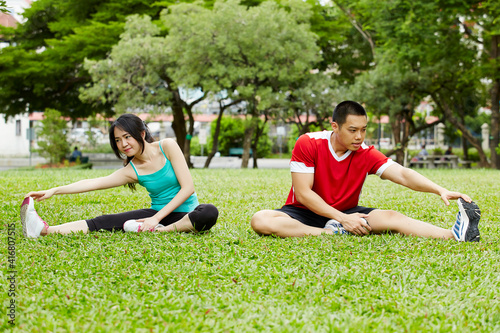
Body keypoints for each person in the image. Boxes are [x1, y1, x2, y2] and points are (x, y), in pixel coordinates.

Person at [251, 101, 480, 242]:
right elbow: (303, 194)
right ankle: (332, 233)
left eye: (363, 130)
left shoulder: (365, 152)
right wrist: (342, 221)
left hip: (348, 212)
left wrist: (440, 189)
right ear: (335, 126)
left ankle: (453, 235)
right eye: (352, 130)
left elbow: (402, 174)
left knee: (392, 217)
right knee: (261, 220)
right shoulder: (308, 142)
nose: (359, 136)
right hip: (304, 212)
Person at [21, 113, 219, 238]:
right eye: (117, 140)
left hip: (185, 215)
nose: (123, 144)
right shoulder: (131, 170)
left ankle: (159, 231)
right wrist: (54, 190)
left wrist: (155, 220)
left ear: (141, 134)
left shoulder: (167, 146)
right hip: (155, 214)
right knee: (103, 221)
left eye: (127, 137)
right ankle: (43, 230)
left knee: (209, 212)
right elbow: (95, 182)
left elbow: (188, 189)